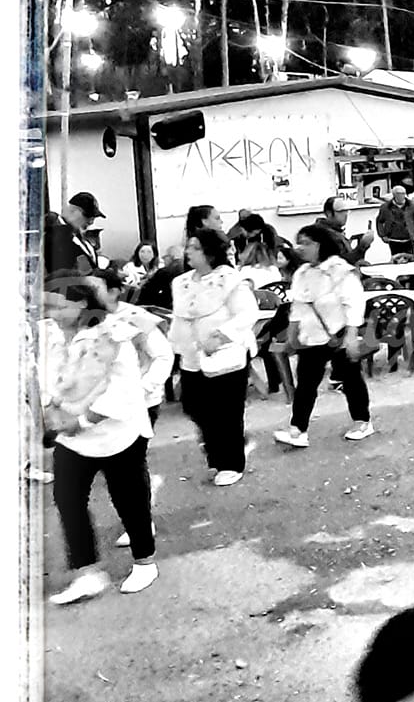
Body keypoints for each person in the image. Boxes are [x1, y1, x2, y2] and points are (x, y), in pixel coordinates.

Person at [40, 271, 173, 602]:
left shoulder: (112, 336)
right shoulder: (52, 337)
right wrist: (52, 411)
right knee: (68, 500)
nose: (52, 314)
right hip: (70, 438)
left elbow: (123, 391)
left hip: (117, 432)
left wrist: (82, 420)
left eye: (59, 306)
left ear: (82, 304)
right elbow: (46, 379)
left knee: (128, 498)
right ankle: (87, 572)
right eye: (48, 307)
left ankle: (145, 561)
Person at [168, 227, 261, 486]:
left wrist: (220, 336)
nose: (189, 252)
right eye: (189, 247)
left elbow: (247, 314)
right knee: (194, 406)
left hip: (225, 355)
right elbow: (179, 317)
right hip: (191, 355)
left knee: (226, 410)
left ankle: (230, 462)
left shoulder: (229, 280)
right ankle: (216, 455)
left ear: (210, 252)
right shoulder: (182, 282)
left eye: (195, 248)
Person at [273, 224, 376, 448]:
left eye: (307, 243)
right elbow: (297, 307)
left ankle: (362, 421)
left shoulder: (339, 270)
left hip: (337, 333)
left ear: (321, 245)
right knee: (306, 383)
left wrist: (351, 333)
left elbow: (353, 302)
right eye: (299, 242)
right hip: (312, 337)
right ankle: (298, 429)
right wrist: (292, 336)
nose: (301, 248)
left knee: (350, 379)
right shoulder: (301, 273)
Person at [45, 192, 104, 278]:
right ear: (73, 211)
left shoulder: (76, 237)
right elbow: (63, 274)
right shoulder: (57, 236)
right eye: (88, 215)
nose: (91, 222)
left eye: (93, 218)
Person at [376, 184, 414, 260]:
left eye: (403, 194)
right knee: (397, 260)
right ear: (394, 195)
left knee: (410, 259)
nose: (401, 196)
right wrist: (382, 235)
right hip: (393, 239)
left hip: (409, 239)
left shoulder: (412, 205)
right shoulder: (385, 207)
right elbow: (379, 221)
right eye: (399, 194)